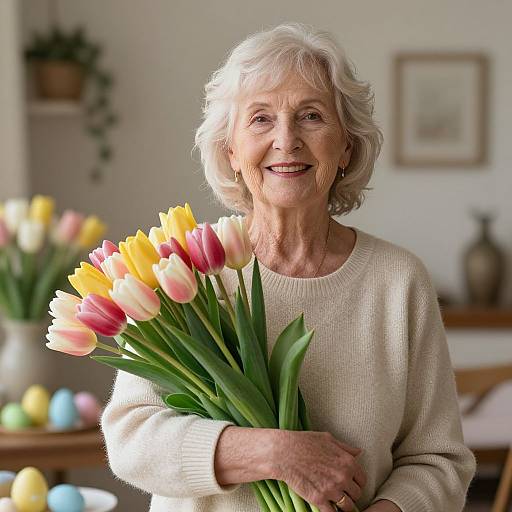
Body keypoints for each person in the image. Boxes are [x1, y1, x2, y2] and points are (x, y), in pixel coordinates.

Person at [101, 22, 477, 512]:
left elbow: (439, 459)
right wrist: (274, 452)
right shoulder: (183, 269)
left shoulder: (398, 281)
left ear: (346, 147)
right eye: (260, 119)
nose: (287, 140)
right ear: (231, 150)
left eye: (312, 116)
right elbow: (131, 440)